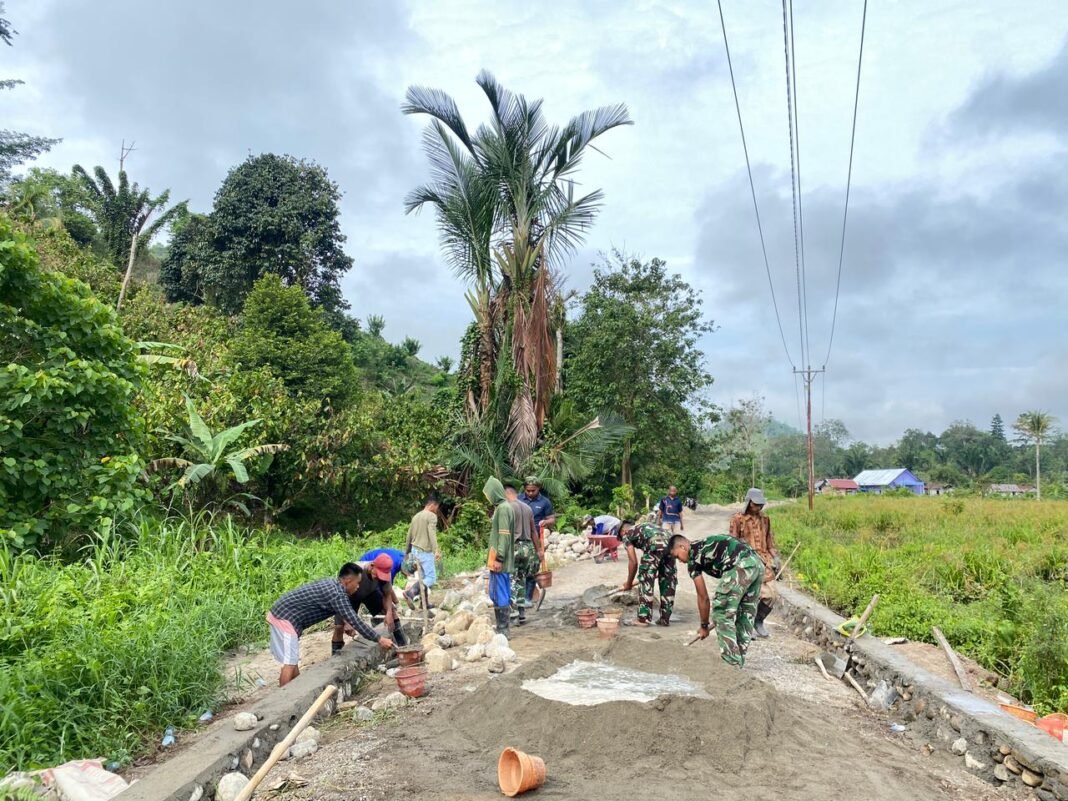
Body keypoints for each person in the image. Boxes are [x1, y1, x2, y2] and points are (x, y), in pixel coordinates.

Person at [268, 564, 394, 686]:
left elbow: (345, 613)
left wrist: (347, 623)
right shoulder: (337, 594)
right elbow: (356, 621)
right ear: (348, 581)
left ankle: (293, 692)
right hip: (285, 618)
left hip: (285, 617)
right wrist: (380, 639)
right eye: (357, 583)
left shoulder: (334, 587)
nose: (358, 587)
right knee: (289, 663)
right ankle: (284, 697)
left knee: (292, 661)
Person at [668, 533, 763, 668]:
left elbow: (703, 597)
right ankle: (738, 659)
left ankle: (732, 663)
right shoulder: (703, 545)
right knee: (745, 613)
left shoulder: (693, 557)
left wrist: (704, 626)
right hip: (756, 564)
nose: (680, 561)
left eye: (677, 556)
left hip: (741, 565)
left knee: (721, 610)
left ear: (682, 547)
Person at [331, 552, 409, 653]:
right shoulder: (356, 570)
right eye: (377, 575)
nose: (379, 578)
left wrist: (389, 612)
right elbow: (340, 595)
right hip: (348, 596)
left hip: (370, 593)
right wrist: (346, 621)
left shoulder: (385, 574)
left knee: (392, 613)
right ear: (372, 566)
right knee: (339, 627)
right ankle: (336, 655)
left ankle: (403, 647)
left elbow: (387, 594)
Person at [728, 487, 779, 639]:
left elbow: (770, 542)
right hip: (746, 562)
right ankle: (743, 627)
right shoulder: (738, 519)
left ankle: (759, 620)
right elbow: (732, 543)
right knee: (747, 597)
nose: (759, 507)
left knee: (771, 595)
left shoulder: (765, 520)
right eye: (756, 504)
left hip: (765, 562)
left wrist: (775, 557)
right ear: (749, 503)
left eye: (761, 504)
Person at [619, 520, 676, 626]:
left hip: (654, 546)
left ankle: (643, 619)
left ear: (623, 531)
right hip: (671, 545)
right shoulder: (646, 526)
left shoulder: (627, 534)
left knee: (646, 580)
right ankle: (665, 618)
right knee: (668, 580)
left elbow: (633, 562)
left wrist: (629, 583)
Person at [505, 485, 544, 624]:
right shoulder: (527, 508)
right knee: (521, 579)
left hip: (514, 547)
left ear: (506, 494)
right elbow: (534, 531)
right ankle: (521, 612)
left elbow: (505, 532)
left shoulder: (507, 508)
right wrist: (539, 550)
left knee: (510, 580)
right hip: (527, 547)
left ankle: (514, 613)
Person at [485, 477, 516, 636]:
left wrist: (500, 558)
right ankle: (502, 627)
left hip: (499, 560)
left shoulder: (503, 509)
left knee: (500, 593)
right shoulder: (503, 507)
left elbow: (503, 535)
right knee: (497, 592)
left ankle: (503, 629)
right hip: (498, 559)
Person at [405, 496, 441, 600]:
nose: (436, 509)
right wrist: (436, 550)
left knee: (423, 579)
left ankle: (424, 603)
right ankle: (411, 592)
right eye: (437, 507)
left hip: (414, 551)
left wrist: (407, 552)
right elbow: (432, 533)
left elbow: (409, 535)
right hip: (424, 552)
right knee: (431, 578)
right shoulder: (431, 516)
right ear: (432, 505)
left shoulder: (416, 516)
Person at [520, 477, 556, 545]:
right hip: (519, 536)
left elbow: (552, 519)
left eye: (533, 490)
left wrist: (546, 522)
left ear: (538, 488)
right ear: (524, 488)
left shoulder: (545, 502)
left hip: (536, 536)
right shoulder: (518, 499)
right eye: (528, 490)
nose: (530, 493)